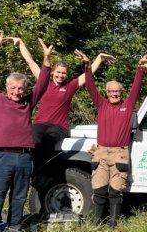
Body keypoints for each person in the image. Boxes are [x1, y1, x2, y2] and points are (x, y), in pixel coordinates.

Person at [0, 33, 50, 232]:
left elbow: (44, 81)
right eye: (13, 88)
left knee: (19, 198)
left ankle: (14, 231)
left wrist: (44, 58)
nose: (17, 92)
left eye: (21, 88)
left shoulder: (28, 102)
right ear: (7, 87)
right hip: (1, 157)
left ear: (25, 89)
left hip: (24, 156)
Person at [11, 40, 115, 176]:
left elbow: (88, 76)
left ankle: (40, 175)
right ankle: (24, 173)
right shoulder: (44, 82)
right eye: (58, 72)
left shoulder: (70, 86)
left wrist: (99, 58)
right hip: (40, 124)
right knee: (32, 140)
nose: (61, 75)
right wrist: (20, 43)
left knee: (47, 142)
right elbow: (30, 61)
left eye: (64, 73)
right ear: (53, 72)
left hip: (59, 127)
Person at [84, 50, 147, 228]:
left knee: (116, 191)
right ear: (106, 92)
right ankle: (96, 224)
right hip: (100, 152)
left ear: (121, 92)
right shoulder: (101, 104)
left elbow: (136, 88)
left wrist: (140, 67)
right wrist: (87, 66)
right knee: (98, 191)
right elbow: (90, 86)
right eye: (111, 91)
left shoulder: (127, 105)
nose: (114, 94)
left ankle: (113, 224)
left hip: (120, 154)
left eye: (117, 91)